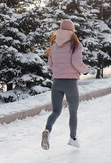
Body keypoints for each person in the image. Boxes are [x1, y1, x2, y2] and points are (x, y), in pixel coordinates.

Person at [41, 19, 89, 150]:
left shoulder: (54, 46)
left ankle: (47, 130)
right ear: (72, 31)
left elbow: (51, 65)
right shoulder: (75, 44)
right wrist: (86, 70)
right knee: (73, 111)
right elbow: (76, 62)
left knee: (56, 111)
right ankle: (73, 138)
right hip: (70, 83)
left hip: (56, 83)